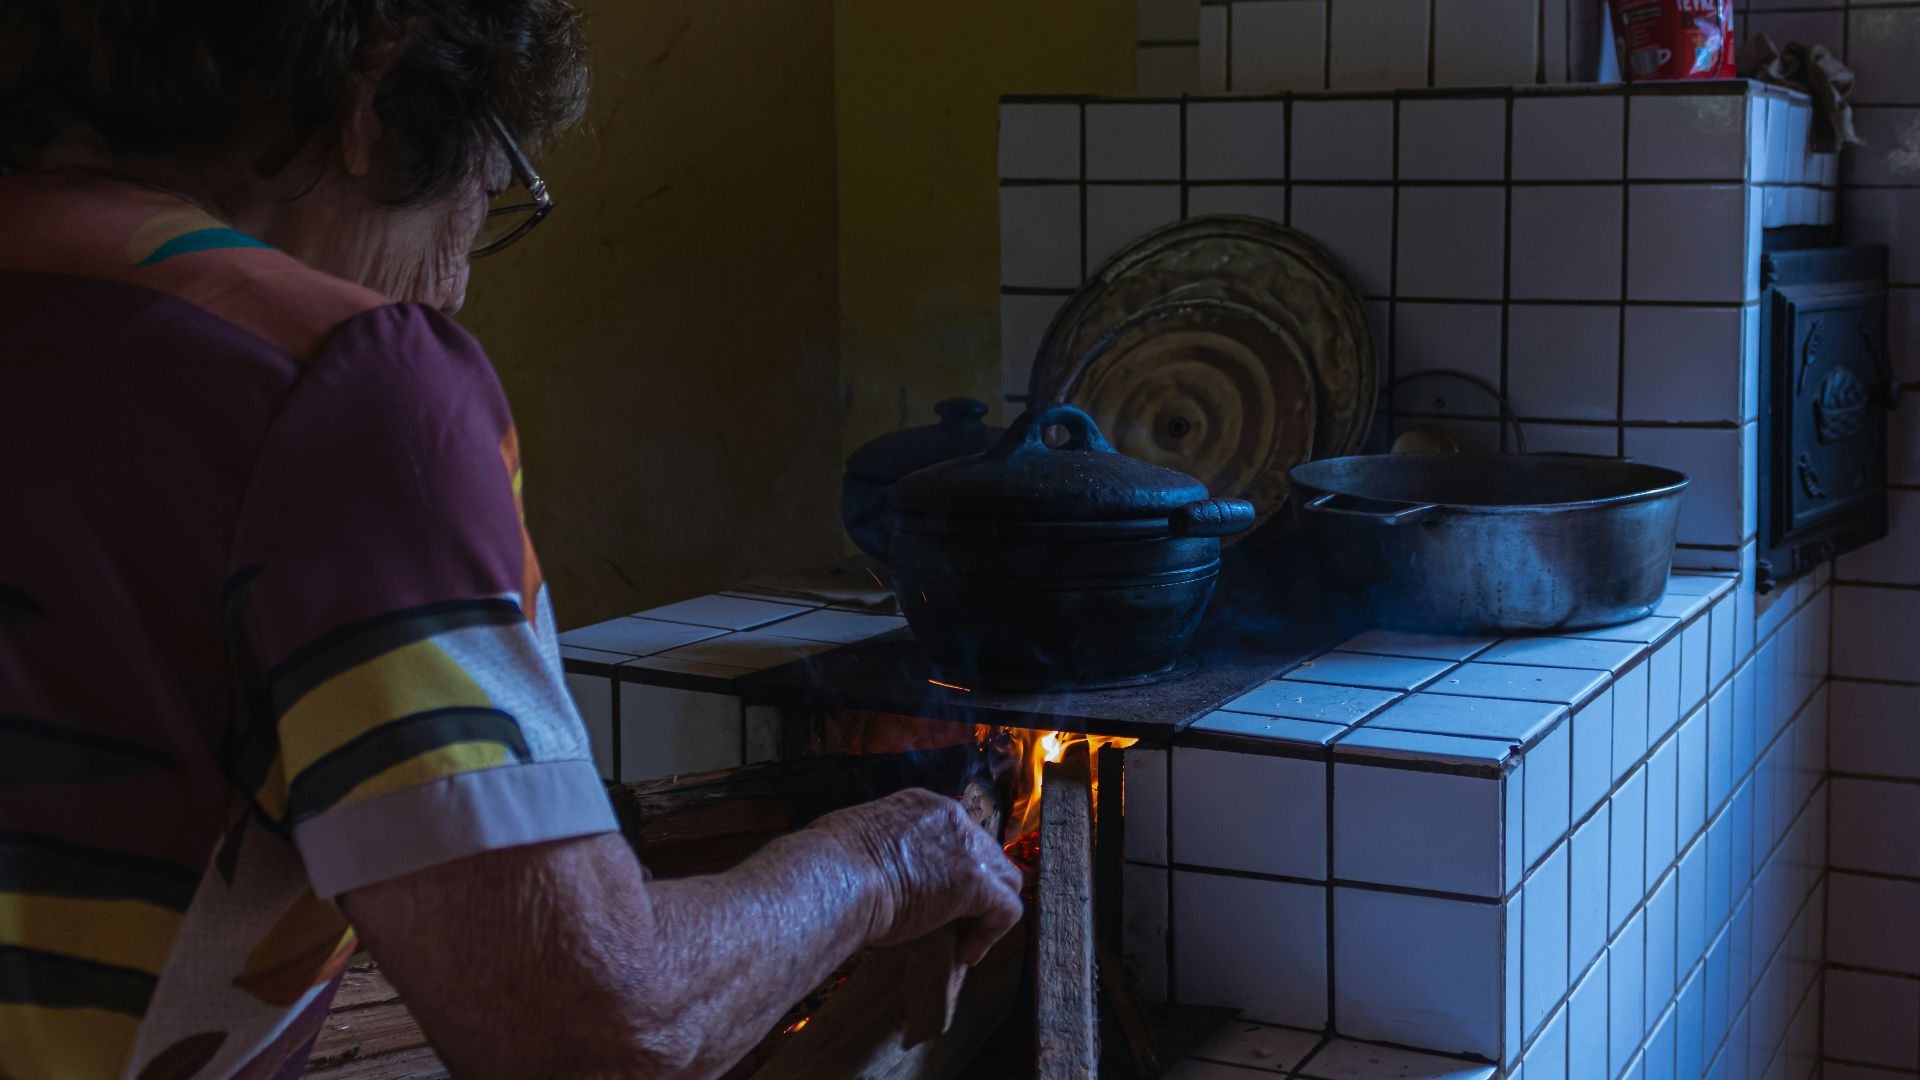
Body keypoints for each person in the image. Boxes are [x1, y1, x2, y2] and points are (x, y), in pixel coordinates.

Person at [0, 3, 1023, 1077]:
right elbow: (601, 1031)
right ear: (383, 99)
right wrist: (883, 862)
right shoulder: (337, 384)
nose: (456, 287)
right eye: (485, 201)